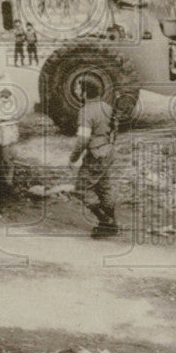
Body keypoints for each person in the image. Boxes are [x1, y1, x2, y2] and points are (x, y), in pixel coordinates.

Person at [69, 76, 119, 239]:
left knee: (82, 189)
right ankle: (112, 222)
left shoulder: (86, 111)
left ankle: (105, 221)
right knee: (104, 186)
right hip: (107, 152)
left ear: (85, 92)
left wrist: (73, 158)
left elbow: (83, 140)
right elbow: (114, 129)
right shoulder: (106, 107)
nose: (76, 90)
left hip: (95, 155)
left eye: (78, 88)